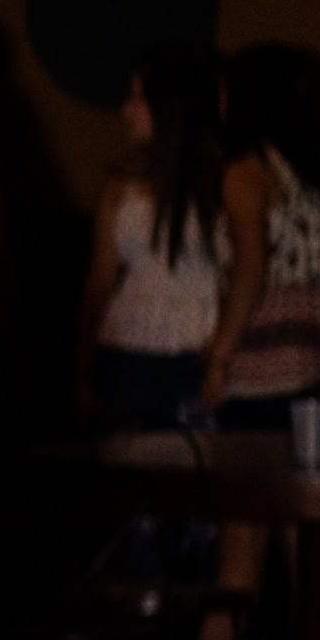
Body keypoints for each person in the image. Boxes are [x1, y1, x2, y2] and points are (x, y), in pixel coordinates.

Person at [190, 43, 320, 640]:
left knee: (241, 551)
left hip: (265, 377)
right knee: (319, 554)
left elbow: (251, 271)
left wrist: (218, 358)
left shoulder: (249, 172)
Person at [78, 40, 230, 430]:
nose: (125, 111)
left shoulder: (228, 181)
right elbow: (100, 279)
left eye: (137, 99)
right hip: (125, 349)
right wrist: (83, 366)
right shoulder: (122, 180)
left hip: (198, 352)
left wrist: (223, 356)